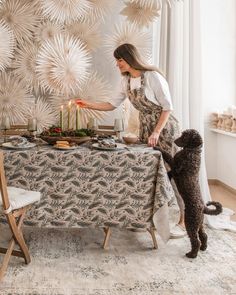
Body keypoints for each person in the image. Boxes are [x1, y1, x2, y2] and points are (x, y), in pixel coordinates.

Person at [75, 43, 186, 238]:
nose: (117, 64)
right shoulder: (125, 81)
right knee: (149, 171)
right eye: (116, 60)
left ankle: (184, 219)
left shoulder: (152, 76)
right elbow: (111, 105)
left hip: (164, 129)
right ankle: (146, 217)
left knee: (173, 172)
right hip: (146, 128)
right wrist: (87, 104)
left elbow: (167, 108)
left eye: (119, 60)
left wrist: (157, 132)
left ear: (129, 58)